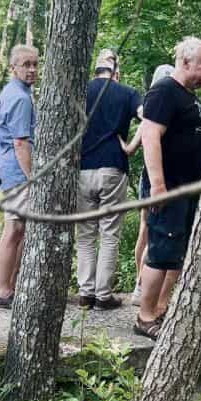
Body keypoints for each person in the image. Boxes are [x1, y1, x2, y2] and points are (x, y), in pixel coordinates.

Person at [134, 38, 201, 338]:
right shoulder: (164, 91)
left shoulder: (191, 97)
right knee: (160, 250)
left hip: (189, 190)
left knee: (176, 253)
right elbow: (151, 137)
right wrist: (157, 185)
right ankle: (144, 316)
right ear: (185, 62)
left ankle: (161, 309)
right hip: (169, 189)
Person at [76, 49, 143, 309]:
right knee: (109, 233)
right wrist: (131, 146)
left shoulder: (81, 91)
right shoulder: (126, 93)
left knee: (85, 234)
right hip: (113, 167)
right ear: (116, 72)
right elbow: (148, 116)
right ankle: (103, 295)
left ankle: (85, 292)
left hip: (82, 169)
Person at [0, 44, 39, 309]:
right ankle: (4, 289)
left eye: (34, 64)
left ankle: (9, 286)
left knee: (17, 228)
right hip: (17, 172)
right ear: (13, 68)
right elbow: (21, 143)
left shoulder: (15, 92)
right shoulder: (19, 97)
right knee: (15, 229)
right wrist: (33, 177)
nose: (32, 69)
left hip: (10, 169)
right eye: (26, 65)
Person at [129, 63, 175, 306]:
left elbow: (130, 148)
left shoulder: (149, 110)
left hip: (148, 178)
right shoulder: (159, 110)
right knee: (154, 232)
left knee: (146, 230)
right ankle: (142, 287)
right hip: (157, 180)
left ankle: (140, 282)